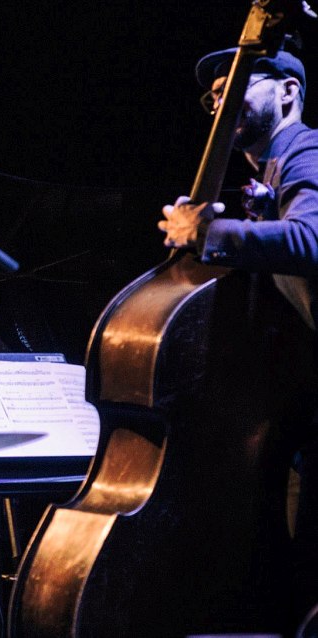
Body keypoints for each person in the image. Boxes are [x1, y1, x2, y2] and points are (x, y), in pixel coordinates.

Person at [159, 46, 318, 628]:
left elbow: (312, 241)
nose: (221, 96)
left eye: (238, 81)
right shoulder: (270, 177)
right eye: (215, 91)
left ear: (287, 93)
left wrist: (211, 230)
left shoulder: (305, 150)